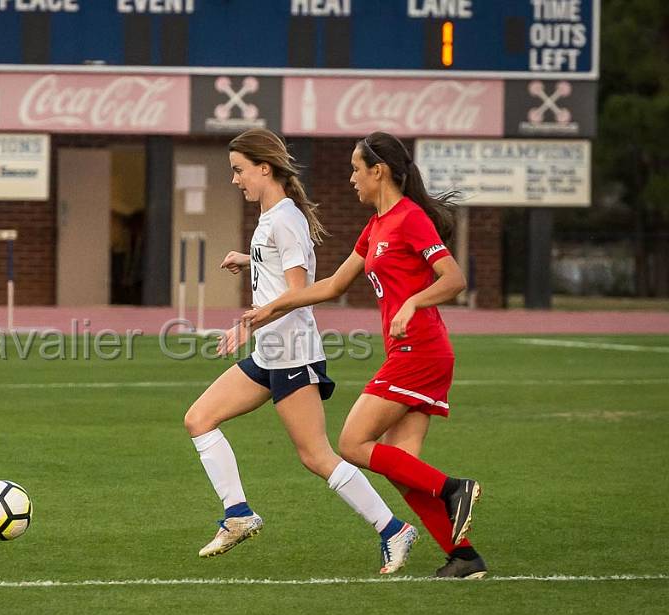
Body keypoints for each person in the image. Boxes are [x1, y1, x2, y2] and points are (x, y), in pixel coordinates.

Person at [221, 131, 487, 579]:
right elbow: (329, 287)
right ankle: (463, 557)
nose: (350, 179)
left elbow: (453, 278)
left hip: (420, 351)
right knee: (403, 467)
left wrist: (413, 302)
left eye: (355, 169)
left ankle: (454, 488)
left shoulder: (409, 218)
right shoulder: (376, 227)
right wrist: (265, 311)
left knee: (351, 443)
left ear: (377, 171)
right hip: (411, 352)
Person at [185, 128, 419, 575]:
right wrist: (249, 261)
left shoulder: (285, 219)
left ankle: (393, 529)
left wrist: (249, 319)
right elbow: (281, 275)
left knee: (316, 456)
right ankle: (238, 515)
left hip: (292, 353)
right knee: (199, 419)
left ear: (264, 168)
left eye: (239, 170)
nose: (235, 180)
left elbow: (302, 292)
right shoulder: (271, 217)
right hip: (270, 353)